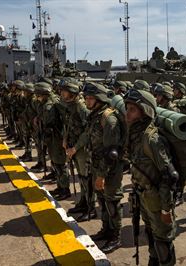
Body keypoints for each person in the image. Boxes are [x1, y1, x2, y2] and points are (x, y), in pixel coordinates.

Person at [67, 82, 125, 253]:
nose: (86, 101)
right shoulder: (96, 115)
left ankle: (116, 236)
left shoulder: (109, 119)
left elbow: (111, 154)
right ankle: (106, 230)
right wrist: (75, 148)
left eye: (90, 98)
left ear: (99, 99)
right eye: (86, 97)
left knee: (112, 201)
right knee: (102, 200)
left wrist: (101, 176)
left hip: (109, 170)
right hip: (97, 165)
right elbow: (87, 135)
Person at [124, 88, 177, 266]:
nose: (127, 113)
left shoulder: (152, 139)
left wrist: (166, 209)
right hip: (143, 196)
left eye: (132, 109)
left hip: (156, 200)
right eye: (127, 108)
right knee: (150, 233)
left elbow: (168, 177)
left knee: (163, 240)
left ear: (144, 112)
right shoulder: (135, 134)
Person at [58, 80, 96, 220]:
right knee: (81, 177)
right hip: (74, 147)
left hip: (82, 149)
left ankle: (91, 208)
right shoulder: (71, 105)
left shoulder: (80, 107)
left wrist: (75, 147)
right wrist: (65, 140)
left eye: (65, 91)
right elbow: (69, 124)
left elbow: (87, 131)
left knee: (86, 178)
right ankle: (83, 202)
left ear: (72, 92)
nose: (62, 93)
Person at [34, 82, 71, 200]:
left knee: (60, 164)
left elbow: (48, 123)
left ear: (44, 94)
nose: (37, 97)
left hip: (56, 138)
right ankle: (61, 187)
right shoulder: (52, 101)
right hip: (55, 138)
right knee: (56, 163)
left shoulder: (48, 106)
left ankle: (65, 189)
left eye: (38, 95)